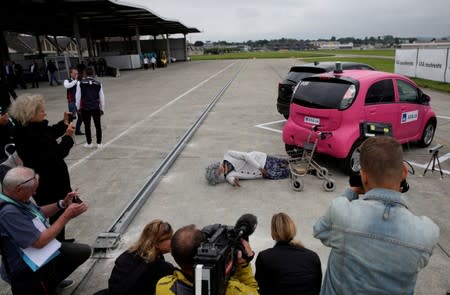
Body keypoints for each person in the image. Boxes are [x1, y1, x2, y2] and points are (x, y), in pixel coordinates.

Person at [313, 136, 440, 295]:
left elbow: (319, 230)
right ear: (404, 172)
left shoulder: (341, 211)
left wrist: (349, 194)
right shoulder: (426, 233)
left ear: (363, 176)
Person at [0, 167, 91, 294]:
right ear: (19, 189)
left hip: (41, 253)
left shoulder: (16, 198)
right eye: (32, 190)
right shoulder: (8, 213)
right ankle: (45, 285)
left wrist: (62, 204)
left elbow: (38, 212)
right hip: (26, 267)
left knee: (81, 251)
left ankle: (51, 281)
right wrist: (66, 216)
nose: (35, 193)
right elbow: (39, 242)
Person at [9, 94, 75, 242]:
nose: (45, 113)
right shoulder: (30, 136)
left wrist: (64, 123)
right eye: (41, 111)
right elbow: (57, 154)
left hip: (51, 178)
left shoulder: (31, 129)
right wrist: (68, 138)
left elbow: (49, 132)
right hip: (47, 181)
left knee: (59, 209)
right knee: (56, 211)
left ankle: (59, 241)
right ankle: (57, 244)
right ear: (30, 114)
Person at [155, 224, 259, 295]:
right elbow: (254, 291)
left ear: (172, 253)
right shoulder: (232, 290)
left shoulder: (163, 286)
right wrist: (243, 265)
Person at [96, 220, 175, 295]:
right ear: (156, 243)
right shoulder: (163, 268)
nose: (173, 240)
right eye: (170, 238)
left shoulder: (128, 254)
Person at [255, 213, 322, 295]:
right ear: (293, 229)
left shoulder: (265, 258)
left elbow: (259, 289)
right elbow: (317, 288)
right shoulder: (313, 257)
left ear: (273, 233)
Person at [206, 151, 290, 187]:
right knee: (281, 174)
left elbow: (245, 156)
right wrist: (234, 182)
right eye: (217, 174)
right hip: (259, 173)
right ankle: (295, 172)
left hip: (259, 159)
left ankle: (298, 160)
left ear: (216, 166)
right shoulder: (228, 175)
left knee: (283, 162)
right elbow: (231, 179)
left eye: (217, 170)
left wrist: (259, 167)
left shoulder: (228, 155)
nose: (219, 171)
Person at [76, 67, 105, 149]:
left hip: (85, 107)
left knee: (87, 126)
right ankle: (99, 143)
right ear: (93, 73)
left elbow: (78, 96)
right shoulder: (98, 83)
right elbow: (102, 97)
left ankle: (89, 143)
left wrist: (78, 107)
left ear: (85, 73)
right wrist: (102, 108)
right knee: (98, 125)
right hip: (95, 107)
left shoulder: (80, 83)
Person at [64, 67, 84, 135]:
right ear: (71, 73)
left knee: (81, 117)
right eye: (75, 73)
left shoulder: (79, 81)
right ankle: (69, 131)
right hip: (72, 101)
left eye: (77, 73)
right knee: (71, 117)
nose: (76, 75)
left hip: (79, 101)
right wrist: (75, 80)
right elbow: (67, 86)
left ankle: (77, 130)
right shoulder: (67, 80)